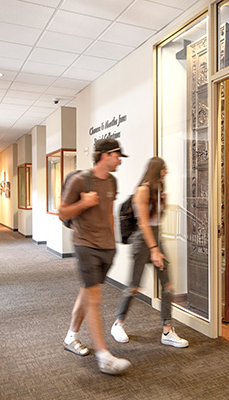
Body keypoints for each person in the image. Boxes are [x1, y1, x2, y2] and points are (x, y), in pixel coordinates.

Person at [58, 138, 131, 375]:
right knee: (95, 298)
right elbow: (62, 212)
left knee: (87, 294)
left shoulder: (111, 180)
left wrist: (113, 243)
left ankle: (71, 337)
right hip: (85, 244)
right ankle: (104, 356)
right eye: (118, 155)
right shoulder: (81, 180)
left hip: (105, 247)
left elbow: (109, 213)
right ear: (105, 155)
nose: (120, 160)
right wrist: (83, 203)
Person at [110, 157, 189, 348]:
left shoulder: (159, 191)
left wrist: (163, 201)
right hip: (142, 240)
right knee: (134, 286)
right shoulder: (143, 191)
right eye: (164, 169)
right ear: (156, 170)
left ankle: (167, 330)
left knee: (168, 285)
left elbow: (156, 221)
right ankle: (117, 324)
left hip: (156, 238)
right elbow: (144, 223)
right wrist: (154, 250)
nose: (166, 172)